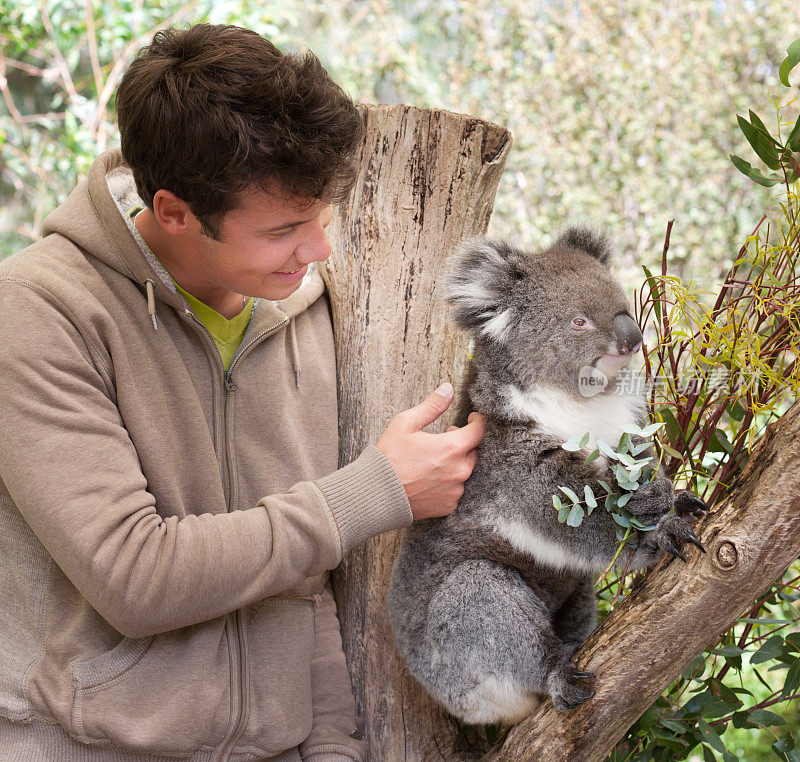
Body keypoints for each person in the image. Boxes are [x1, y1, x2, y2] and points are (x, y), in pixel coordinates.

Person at [0, 23, 484, 762]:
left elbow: (303, 584)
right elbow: (135, 576)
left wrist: (331, 751)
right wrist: (374, 490)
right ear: (174, 212)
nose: (319, 250)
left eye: (320, 217)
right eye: (286, 228)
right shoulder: (39, 312)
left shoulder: (307, 307)